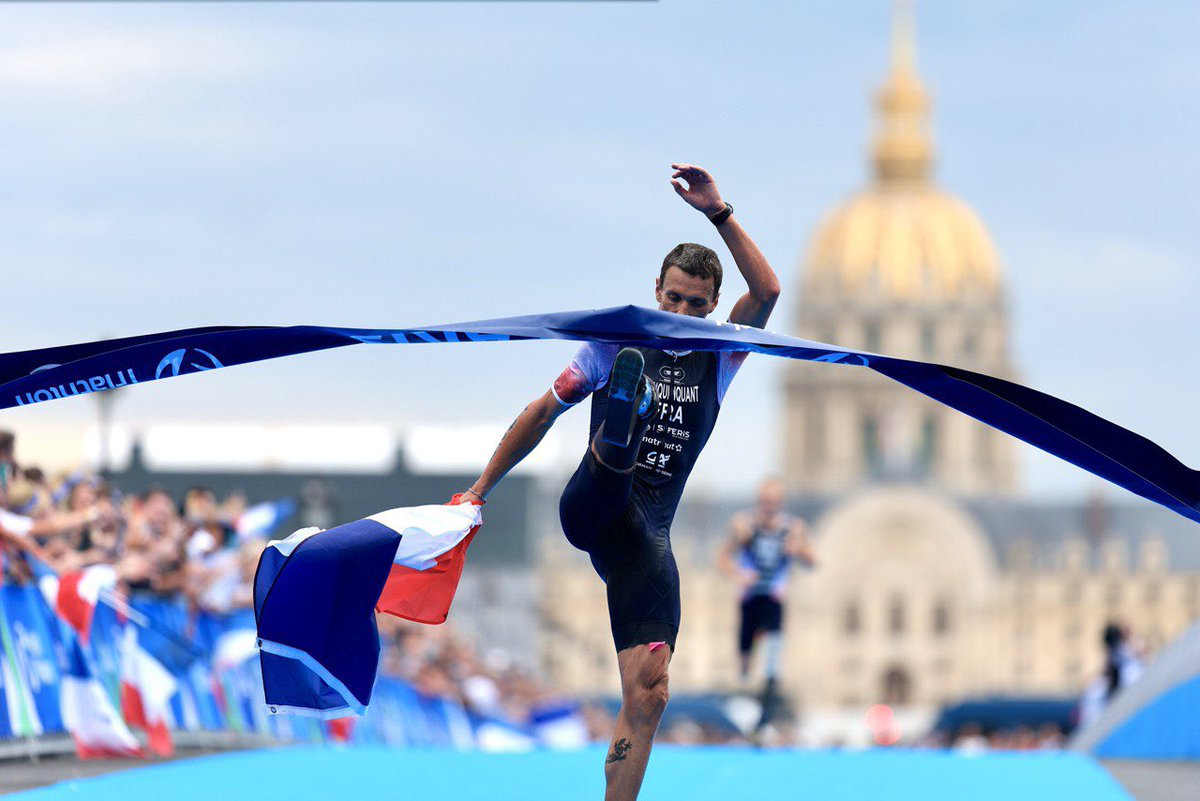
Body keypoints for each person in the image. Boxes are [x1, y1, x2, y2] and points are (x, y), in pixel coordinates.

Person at [462, 164, 780, 800]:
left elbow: (767, 292)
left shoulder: (721, 355)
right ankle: (620, 428)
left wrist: (719, 213)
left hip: (644, 541)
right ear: (657, 293)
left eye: (696, 304)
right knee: (615, 460)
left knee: (651, 693)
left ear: (713, 307)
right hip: (592, 503)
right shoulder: (608, 347)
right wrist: (479, 490)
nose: (682, 310)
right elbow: (541, 412)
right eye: (673, 300)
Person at [717, 477, 813, 729]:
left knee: (773, 653)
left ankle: (767, 703)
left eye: (774, 502)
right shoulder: (744, 525)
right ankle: (746, 683)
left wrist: (798, 550)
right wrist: (739, 573)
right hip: (750, 597)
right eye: (765, 502)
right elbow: (723, 559)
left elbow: (811, 560)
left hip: (773, 597)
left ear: (780, 503)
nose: (769, 507)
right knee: (745, 657)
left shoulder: (792, 528)